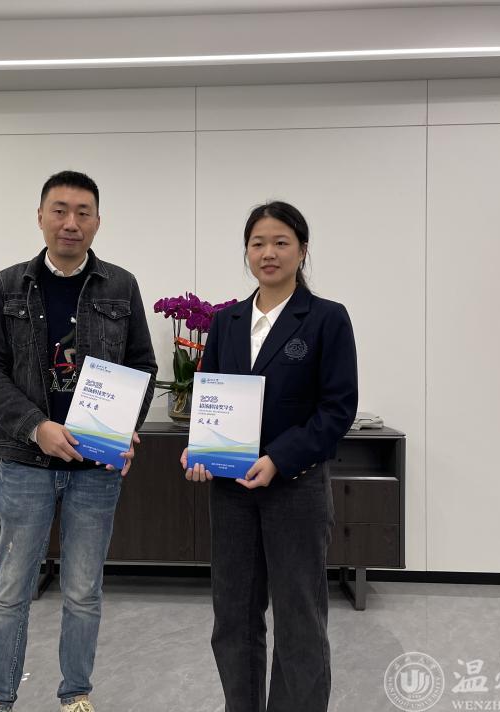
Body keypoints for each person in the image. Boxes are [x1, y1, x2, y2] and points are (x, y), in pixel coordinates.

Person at [0, 171, 158, 712]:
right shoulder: (9, 285)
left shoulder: (121, 286)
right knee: (11, 591)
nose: (70, 222)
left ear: (97, 222)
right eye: (59, 210)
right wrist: (37, 427)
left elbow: (143, 366)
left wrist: (124, 426)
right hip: (25, 463)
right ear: (40, 217)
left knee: (82, 592)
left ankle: (75, 692)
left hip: (95, 470)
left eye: (82, 212)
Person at [181, 200, 358, 712]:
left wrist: (279, 458)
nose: (268, 253)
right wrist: (200, 446)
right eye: (258, 243)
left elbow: (337, 409)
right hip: (231, 493)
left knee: (300, 619)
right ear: (247, 251)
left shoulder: (326, 318)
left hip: (295, 488)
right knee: (233, 617)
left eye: (281, 242)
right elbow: (210, 396)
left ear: (302, 250)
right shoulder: (227, 321)